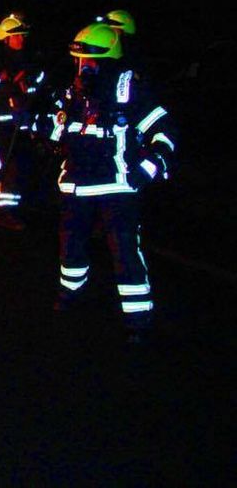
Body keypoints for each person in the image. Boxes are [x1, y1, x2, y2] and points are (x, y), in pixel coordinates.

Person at [46, 22, 175, 343]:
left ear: (106, 61)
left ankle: (138, 318)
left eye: (89, 61)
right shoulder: (72, 93)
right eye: (79, 60)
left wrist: (147, 168)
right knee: (70, 247)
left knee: (125, 251)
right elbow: (55, 130)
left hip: (117, 187)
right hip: (76, 185)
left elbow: (164, 133)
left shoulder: (129, 91)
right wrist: (34, 122)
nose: (82, 67)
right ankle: (71, 292)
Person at [0, 13, 47, 230]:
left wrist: (28, 86)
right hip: (1, 124)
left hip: (23, 123)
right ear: (6, 38)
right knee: (9, 167)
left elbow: (39, 84)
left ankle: (18, 208)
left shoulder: (30, 61)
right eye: (16, 36)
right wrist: (9, 88)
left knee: (24, 165)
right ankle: (4, 212)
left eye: (22, 35)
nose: (21, 39)